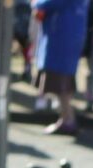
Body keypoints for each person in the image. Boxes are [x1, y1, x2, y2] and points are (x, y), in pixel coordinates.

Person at [34, 0, 89, 132]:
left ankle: (68, 120)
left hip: (61, 38)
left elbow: (45, 3)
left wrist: (35, 2)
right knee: (64, 83)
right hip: (70, 37)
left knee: (61, 85)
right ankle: (66, 118)